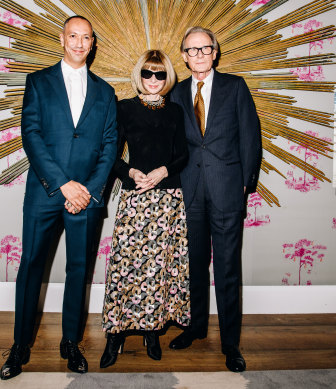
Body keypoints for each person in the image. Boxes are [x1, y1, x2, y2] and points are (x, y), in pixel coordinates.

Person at [0, 15, 118, 379]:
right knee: (31, 267)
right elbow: (31, 136)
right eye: (73, 36)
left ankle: (71, 343)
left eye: (86, 37)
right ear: (62, 39)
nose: (79, 43)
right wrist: (63, 184)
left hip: (87, 197)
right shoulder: (37, 82)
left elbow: (111, 145)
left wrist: (89, 190)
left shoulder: (106, 92)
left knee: (78, 270)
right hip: (45, 192)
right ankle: (19, 347)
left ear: (93, 43)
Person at [169, 26, 262, 372]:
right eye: (191, 50)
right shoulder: (176, 93)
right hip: (189, 190)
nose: (198, 56)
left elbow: (251, 138)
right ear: (183, 55)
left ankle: (230, 343)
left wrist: (244, 184)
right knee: (193, 265)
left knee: (226, 268)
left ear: (215, 52)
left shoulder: (234, 87)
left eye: (204, 49)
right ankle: (194, 328)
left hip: (226, 189)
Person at [100, 50, 190, 369]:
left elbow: (182, 155)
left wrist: (164, 170)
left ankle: (152, 330)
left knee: (158, 268)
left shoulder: (177, 112)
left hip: (167, 198)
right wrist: (130, 173)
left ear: (168, 78)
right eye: (148, 74)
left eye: (160, 75)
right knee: (126, 266)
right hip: (136, 196)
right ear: (139, 75)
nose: (153, 80)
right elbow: (109, 152)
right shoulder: (123, 108)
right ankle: (116, 334)